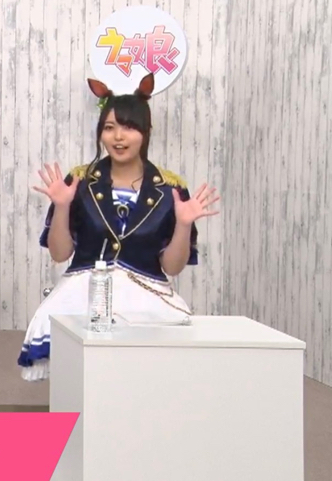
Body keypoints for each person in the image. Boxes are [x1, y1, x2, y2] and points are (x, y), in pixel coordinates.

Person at [18, 74, 220, 381]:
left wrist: (183, 224)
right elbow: (59, 254)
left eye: (128, 127)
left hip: (147, 296)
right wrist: (62, 206)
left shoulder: (171, 188)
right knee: (81, 376)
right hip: (85, 291)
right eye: (109, 127)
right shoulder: (79, 181)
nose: (118, 137)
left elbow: (172, 267)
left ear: (145, 132)